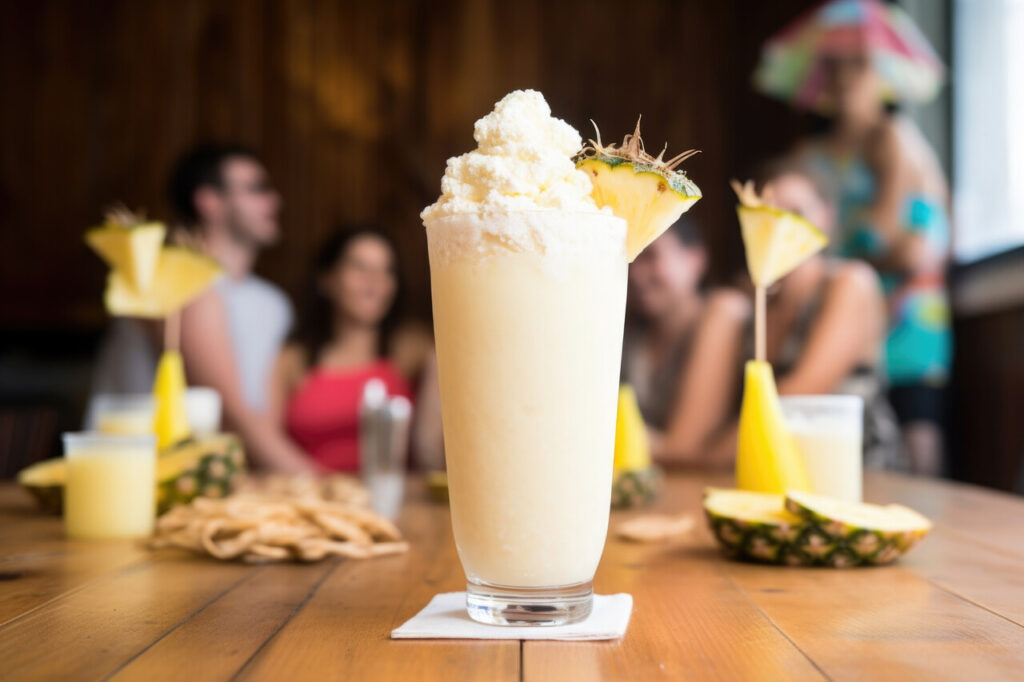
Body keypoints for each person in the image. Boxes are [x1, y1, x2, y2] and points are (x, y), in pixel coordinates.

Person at [652, 164, 899, 469]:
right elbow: (688, 437)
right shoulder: (740, 308)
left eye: (795, 213)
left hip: (860, 474)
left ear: (826, 217)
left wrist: (707, 459)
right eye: (768, 215)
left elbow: (799, 394)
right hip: (769, 475)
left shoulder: (850, 283)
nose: (781, 227)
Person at [793, 52, 952, 476]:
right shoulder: (811, 155)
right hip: (849, 308)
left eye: (859, 65)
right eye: (834, 66)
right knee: (849, 427)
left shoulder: (898, 138)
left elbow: (904, 243)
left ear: (886, 78)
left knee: (917, 428)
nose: (844, 77)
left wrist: (857, 251)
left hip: (906, 315)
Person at [168, 144, 316, 473]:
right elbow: (231, 412)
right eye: (257, 189)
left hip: (237, 479)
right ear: (210, 201)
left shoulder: (274, 304)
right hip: (155, 481)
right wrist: (315, 482)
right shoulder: (174, 280)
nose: (274, 201)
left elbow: (265, 420)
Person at [271, 227, 443, 472]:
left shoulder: (414, 349)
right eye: (360, 268)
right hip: (314, 499)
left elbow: (433, 447)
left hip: (399, 500)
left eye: (387, 271)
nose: (375, 282)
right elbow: (267, 437)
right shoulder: (292, 359)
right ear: (327, 279)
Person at [621, 217, 707, 432]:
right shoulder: (631, 334)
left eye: (650, 256)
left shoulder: (722, 313)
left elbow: (684, 444)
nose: (636, 274)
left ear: (695, 260)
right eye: (630, 260)